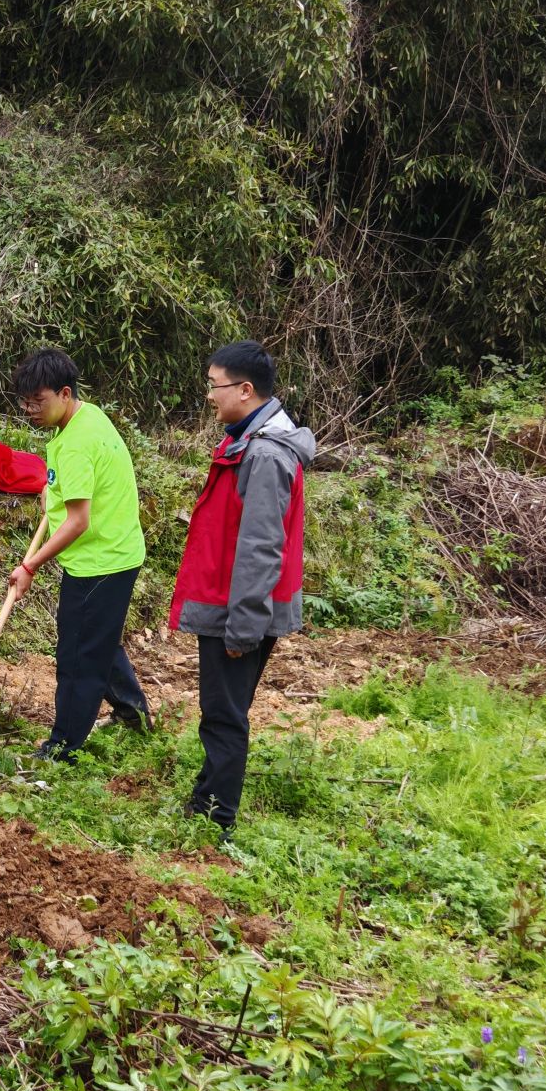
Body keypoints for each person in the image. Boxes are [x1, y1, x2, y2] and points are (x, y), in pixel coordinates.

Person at [169, 339, 316, 832]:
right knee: (224, 709)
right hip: (231, 601)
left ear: (245, 390)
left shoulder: (266, 455)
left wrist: (243, 627)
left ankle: (215, 818)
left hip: (239, 608)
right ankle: (206, 798)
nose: (210, 396)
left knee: (224, 714)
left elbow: (260, 547)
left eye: (215, 386)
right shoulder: (248, 442)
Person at [5, 347, 150, 758]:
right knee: (97, 639)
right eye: (24, 401)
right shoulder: (87, 417)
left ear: (65, 393)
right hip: (117, 552)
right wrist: (52, 492)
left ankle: (63, 744)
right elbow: (74, 492)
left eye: (38, 401)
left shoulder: (75, 444)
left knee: (77, 658)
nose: (29, 409)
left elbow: (77, 521)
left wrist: (30, 564)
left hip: (99, 561)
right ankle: (131, 712)